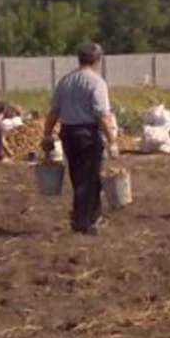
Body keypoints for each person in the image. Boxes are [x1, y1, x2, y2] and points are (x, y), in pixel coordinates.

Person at [40, 42, 120, 235]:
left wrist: (47, 134)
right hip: (87, 134)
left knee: (78, 176)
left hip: (68, 134)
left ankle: (92, 216)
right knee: (89, 178)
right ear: (97, 60)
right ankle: (82, 221)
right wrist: (112, 141)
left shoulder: (66, 81)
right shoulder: (96, 82)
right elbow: (102, 114)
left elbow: (54, 111)